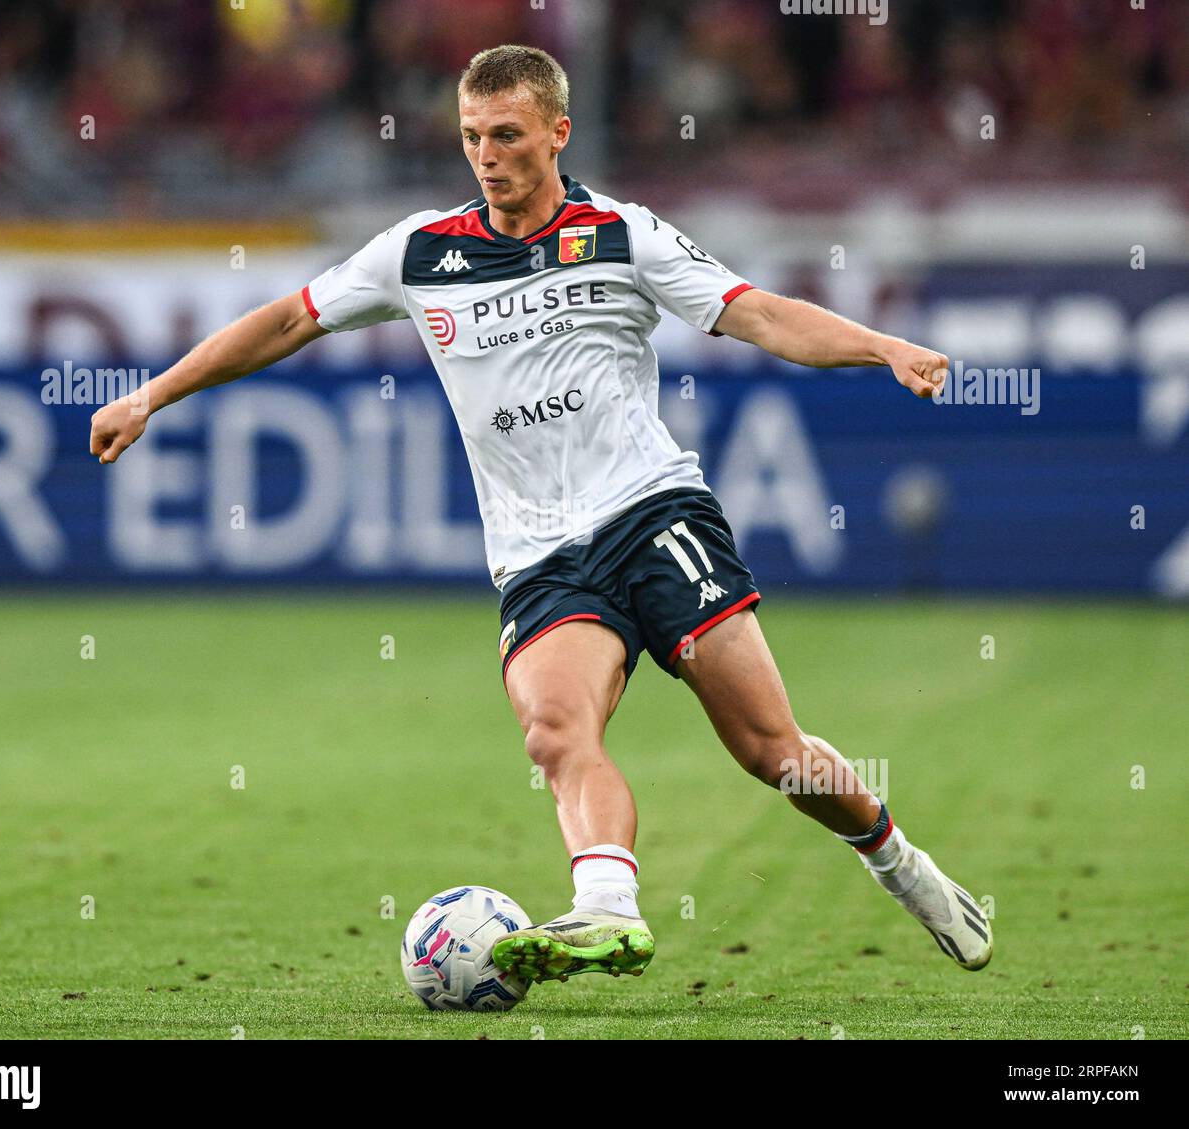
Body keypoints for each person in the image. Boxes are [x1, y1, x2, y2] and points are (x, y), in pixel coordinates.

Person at [90, 44, 992, 985]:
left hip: (652, 513)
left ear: (558, 132)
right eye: (473, 136)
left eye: (508, 135)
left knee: (772, 752)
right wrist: (151, 396)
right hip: (538, 555)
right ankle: (606, 906)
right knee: (555, 733)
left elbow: (757, 313)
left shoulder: (623, 233)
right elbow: (284, 321)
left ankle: (904, 867)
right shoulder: (418, 253)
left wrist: (881, 345)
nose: (486, 155)